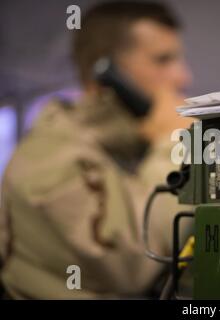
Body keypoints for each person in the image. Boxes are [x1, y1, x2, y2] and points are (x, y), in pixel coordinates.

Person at [0, 1, 193, 299]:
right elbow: (131, 264)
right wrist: (172, 143)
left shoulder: (125, 147)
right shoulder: (51, 160)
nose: (183, 76)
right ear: (105, 71)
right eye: (163, 59)